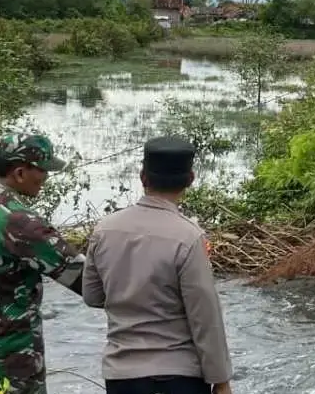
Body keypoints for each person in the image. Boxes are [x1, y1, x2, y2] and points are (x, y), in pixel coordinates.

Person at [83, 136, 234, 394]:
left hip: (122, 377)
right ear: (190, 179)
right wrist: (221, 380)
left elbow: (92, 295)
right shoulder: (189, 237)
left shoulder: (104, 230)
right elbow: (204, 316)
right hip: (179, 376)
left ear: (143, 177)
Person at [0, 134, 86, 394]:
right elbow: (86, 282)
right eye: (43, 170)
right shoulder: (23, 221)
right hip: (13, 363)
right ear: (20, 172)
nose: (46, 177)